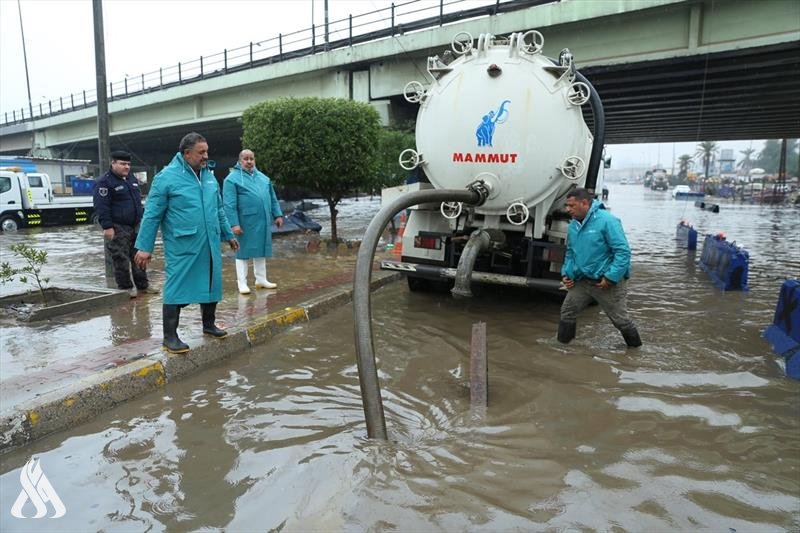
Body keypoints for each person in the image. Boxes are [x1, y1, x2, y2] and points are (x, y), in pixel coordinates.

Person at [133, 132, 238, 354]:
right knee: (177, 287)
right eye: (201, 152)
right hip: (183, 242)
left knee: (212, 281)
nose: (205, 156)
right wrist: (144, 247)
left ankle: (209, 325)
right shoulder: (166, 178)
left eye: (206, 151)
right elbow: (152, 214)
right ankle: (170, 336)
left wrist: (228, 234)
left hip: (209, 240)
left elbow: (218, 208)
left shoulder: (209, 175)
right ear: (186, 153)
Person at [558, 188, 642, 347]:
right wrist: (566, 274)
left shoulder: (608, 221)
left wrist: (611, 277)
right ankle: (563, 350)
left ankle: (636, 352)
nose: (567, 209)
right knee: (567, 313)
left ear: (584, 203)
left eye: (571, 205)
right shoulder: (573, 226)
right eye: (566, 205)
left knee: (621, 321)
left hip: (606, 283)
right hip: (582, 282)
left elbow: (623, 252)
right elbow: (570, 253)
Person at [92, 150, 158, 298]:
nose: (126, 167)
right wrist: (107, 227)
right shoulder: (104, 182)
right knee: (120, 258)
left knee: (139, 257)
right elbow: (101, 206)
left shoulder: (131, 179)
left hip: (135, 225)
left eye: (128, 164)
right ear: (113, 163)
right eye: (122, 164)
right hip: (117, 226)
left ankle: (142, 286)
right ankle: (126, 288)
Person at [223, 149, 284, 294]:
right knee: (242, 251)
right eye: (246, 159)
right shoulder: (231, 179)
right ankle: (242, 283)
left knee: (261, 249)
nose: (249, 161)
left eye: (251, 158)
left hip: (262, 220)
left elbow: (273, 198)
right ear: (239, 161)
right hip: (244, 221)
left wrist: (278, 215)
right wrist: (234, 224)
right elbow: (229, 204)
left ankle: (261, 279)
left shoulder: (264, 178)